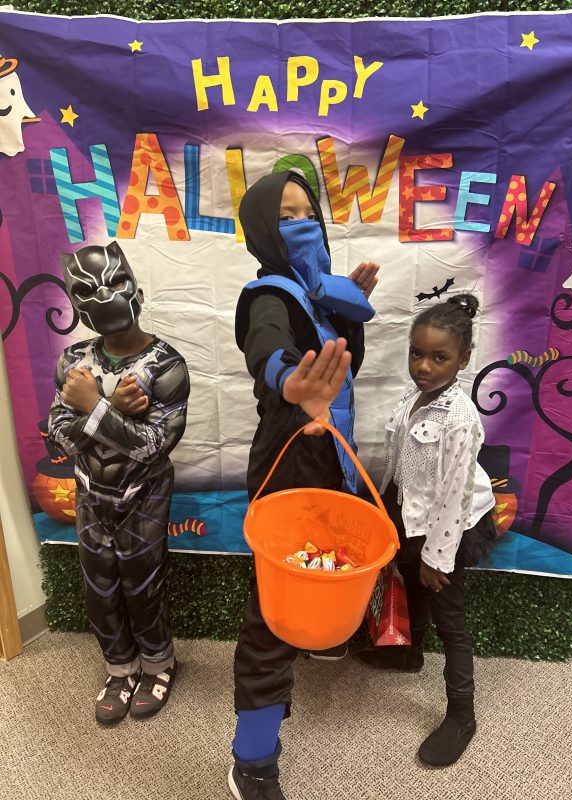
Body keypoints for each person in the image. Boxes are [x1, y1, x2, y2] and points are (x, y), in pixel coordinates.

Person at [229, 170, 379, 800]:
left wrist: (346, 307)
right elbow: (267, 347)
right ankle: (252, 760)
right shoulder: (268, 295)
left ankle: (320, 636)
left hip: (332, 462)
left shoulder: (318, 295)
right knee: (273, 617)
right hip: (289, 467)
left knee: (329, 567)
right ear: (264, 230)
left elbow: (344, 363)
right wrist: (289, 381)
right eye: (286, 216)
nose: (303, 223)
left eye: (308, 211)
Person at [48, 241, 190, 725]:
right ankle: (120, 668)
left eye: (114, 282)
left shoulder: (166, 365)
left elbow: (152, 446)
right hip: (91, 493)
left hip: (143, 493)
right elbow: (59, 438)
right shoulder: (73, 361)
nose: (105, 296)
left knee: (142, 583)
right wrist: (110, 407)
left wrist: (92, 404)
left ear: (137, 291)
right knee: (100, 587)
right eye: (88, 290)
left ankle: (159, 663)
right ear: (76, 303)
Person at [355, 293, 496, 768]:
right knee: (409, 585)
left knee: (449, 618)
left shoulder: (460, 418)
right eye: (417, 354)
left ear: (464, 360)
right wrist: (383, 503)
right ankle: (407, 653)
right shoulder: (413, 398)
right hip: (410, 514)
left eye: (439, 358)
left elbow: (455, 493)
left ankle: (462, 715)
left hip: (449, 528)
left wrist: (438, 558)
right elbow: (399, 459)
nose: (424, 366)